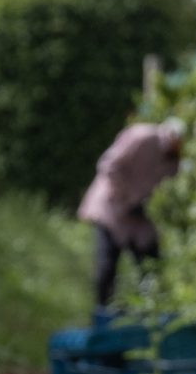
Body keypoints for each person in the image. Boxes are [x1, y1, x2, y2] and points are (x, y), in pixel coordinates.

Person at [77, 119, 184, 308]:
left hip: (140, 217)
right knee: (106, 267)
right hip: (112, 208)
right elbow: (109, 165)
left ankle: (150, 314)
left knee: (152, 267)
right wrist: (129, 197)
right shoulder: (141, 136)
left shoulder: (175, 158)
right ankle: (103, 316)